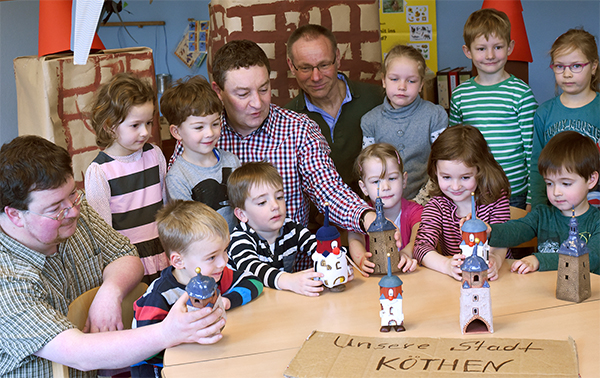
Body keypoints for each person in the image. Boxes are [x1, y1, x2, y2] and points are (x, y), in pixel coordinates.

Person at [0, 135, 225, 378]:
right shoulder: (6, 276)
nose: (73, 210)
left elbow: (126, 254)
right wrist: (168, 332)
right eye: (55, 209)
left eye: (72, 195)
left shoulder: (75, 213)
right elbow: (78, 353)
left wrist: (111, 291)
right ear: (14, 215)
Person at [168, 39, 377, 252]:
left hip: (292, 270)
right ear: (218, 91)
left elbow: (328, 190)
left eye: (264, 89)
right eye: (243, 94)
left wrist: (367, 218)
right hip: (222, 270)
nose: (257, 103)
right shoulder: (199, 136)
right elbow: (179, 214)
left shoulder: (299, 130)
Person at [131, 200, 263, 377]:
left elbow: (254, 282)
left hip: (202, 358)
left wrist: (227, 301)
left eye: (225, 250)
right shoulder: (160, 297)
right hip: (156, 368)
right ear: (179, 261)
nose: (223, 262)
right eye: (211, 257)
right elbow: (144, 348)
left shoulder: (216, 275)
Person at [449, 8, 538, 210]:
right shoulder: (460, 95)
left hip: (514, 192)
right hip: (474, 191)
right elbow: (455, 149)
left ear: (510, 47)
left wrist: (532, 199)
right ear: (467, 51)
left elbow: (532, 151)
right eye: (481, 49)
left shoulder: (521, 94)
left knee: (509, 241)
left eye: (497, 47)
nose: (490, 55)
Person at [85, 72, 168, 284]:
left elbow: (167, 204)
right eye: (135, 125)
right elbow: (102, 232)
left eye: (149, 122)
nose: (145, 132)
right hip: (128, 260)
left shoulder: (154, 155)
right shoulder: (100, 172)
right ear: (110, 126)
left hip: (163, 251)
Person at [285, 24, 384, 193]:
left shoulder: (379, 99)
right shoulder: (287, 119)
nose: (316, 77)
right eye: (305, 68)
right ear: (291, 65)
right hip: (316, 219)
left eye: (324, 65)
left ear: (338, 58)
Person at [489, 131, 600, 275]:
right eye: (549, 183)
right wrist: (490, 232)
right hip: (545, 292)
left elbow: (589, 258)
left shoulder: (597, 222)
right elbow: (517, 229)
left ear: (591, 179)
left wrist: (540, 260)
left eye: (566, 183)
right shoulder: (542, 214)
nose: (556, 192)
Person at [413, 125, 510, 281]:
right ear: (435, 171)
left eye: (465, 177)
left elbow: (503, 239)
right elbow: (421, 248)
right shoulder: (437, 205)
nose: (456, 186)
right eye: (446, 177)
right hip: (456, 285)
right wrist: (446, 265)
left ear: (481, 170)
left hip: (497, 281)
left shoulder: (496, 199)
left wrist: (495, 260)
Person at [361, 44, 447, 201]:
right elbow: (367, 168)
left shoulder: (435, 115)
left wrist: (422, 200)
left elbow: (443, 163)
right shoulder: (370, 121)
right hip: (384, 202)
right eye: (394, 79)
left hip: (429, 202)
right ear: (384, 81)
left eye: (411, 81)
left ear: (421, 84)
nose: (402, 87)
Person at [227, 162, 326, 296]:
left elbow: (318, 248)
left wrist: (336, 262)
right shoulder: (239, 239)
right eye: (262, 202)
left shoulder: (292, 228)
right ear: (242, 215)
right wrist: (289, 280)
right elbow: (253, 269)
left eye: (279, 197)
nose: (275, 205)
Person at [528, 28, 600, 210]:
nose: (566, 73)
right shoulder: (544, 113)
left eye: (576, 66)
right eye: (559, 66)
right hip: (555, 205)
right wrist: (537, 208)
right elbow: (538, 164)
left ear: (593, 66)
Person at [160, 75, 241, 232]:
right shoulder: (177, 177)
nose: (210, 133)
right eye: (199, 127)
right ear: (176, 132)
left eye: (215, 124)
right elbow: (189, 227)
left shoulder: (231, 161)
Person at [348, 143, 422, 276]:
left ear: (404, 180)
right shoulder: (361, 215)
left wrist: (406, 253)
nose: (385, 186)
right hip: (374, 281)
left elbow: (419, 236)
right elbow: (354, 237)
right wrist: (361, 259)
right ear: (363, 187)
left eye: (392, 178)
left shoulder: (415, 211)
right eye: (376, 181)